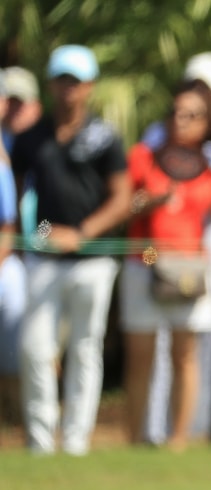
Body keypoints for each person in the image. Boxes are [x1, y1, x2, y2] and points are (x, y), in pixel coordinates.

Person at [12, 45, 132, 455]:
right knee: (34, 348)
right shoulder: (29, 139)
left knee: (85, 349)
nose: (68, 89)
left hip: (94, 260)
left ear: (89, 87)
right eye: (62, 80)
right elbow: (20, 204)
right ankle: (40, 440)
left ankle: (77, 440)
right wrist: (49, 232)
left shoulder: (105, 137)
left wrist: (80, 232)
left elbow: (121, 199)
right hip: (43, 258)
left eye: (75, 82)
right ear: (50, 84)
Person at [122, 82, 211, 450]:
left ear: (206, 122)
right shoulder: (145, 155)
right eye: (176, 112)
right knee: (140, 354)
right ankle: (136, 438)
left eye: (192, 115)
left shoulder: (210, 164)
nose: (181, 120)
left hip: (189, 264)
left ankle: (178, 439)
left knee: (184, 354)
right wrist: (149, 202)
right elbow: (122, 205)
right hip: (145, 258)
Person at [0, 71, 27, 428]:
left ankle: (15, 423)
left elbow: (11, 225)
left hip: (17, 262)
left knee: (19, 354)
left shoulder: (17, 149)